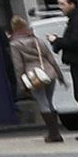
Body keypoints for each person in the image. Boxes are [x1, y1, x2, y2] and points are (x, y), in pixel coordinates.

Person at [9, 14, 68, 145]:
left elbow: (18, 66)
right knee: (49, 102)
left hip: (34, 76)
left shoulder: (15, 44)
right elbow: (50, 58)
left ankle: (53, 134)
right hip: (48, 73)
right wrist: (60, 75)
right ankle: (55, 132)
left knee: (42, 102)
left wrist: (21, 85)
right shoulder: (37, 40)